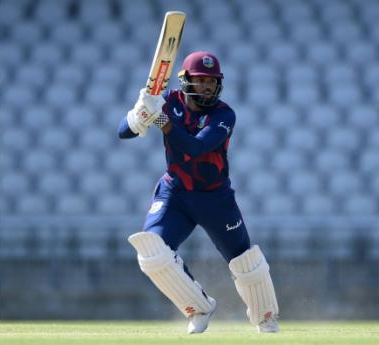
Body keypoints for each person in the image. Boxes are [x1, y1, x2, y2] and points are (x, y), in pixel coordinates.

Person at [118, 51, 279, 334]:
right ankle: (199, 308)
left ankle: (265, 317)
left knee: (245, 261)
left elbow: (195, 148)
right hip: (175, 194)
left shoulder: (224, 114)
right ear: (186, 80)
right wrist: (140, 113)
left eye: (212, 81)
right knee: (152, 253)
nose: (207, 86)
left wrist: (159, 121)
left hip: (215, 199)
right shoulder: (165, 101)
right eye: (201, 80)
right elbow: (124, 132)